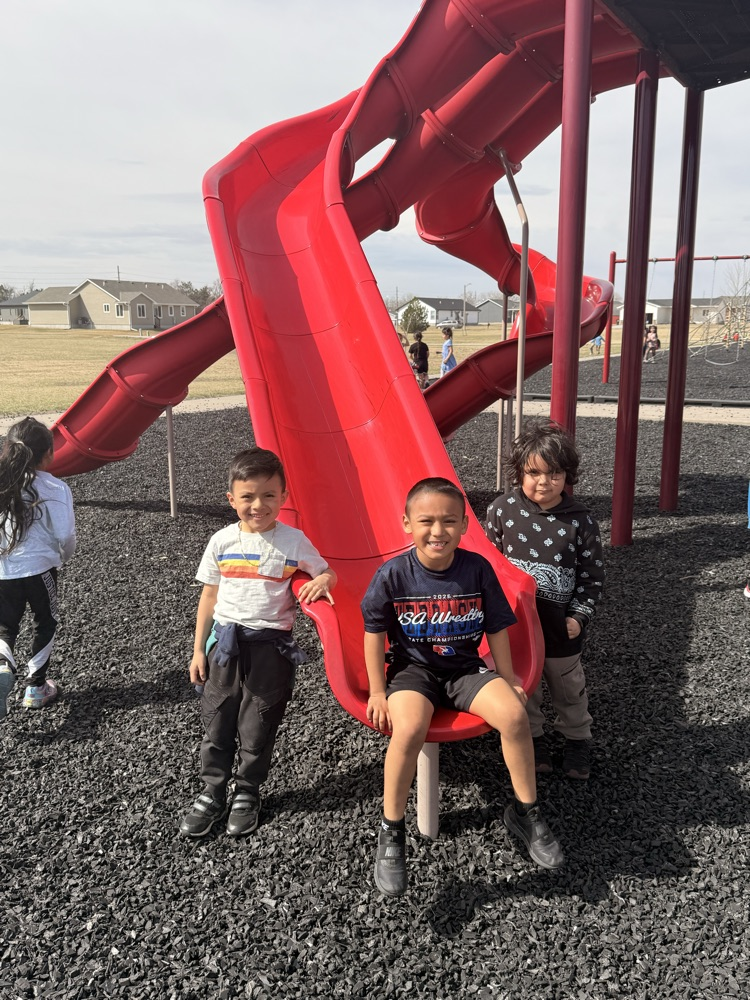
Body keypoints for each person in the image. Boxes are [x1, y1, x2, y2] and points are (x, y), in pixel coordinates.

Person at [361, 477, 564, 897]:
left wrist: (507, 678)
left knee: (513, 714)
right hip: (412, 672)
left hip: (465, 669)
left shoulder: (476, 568)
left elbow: (498, 628)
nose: (438, 531)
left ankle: (526, 812)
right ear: (406, 524)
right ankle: (391, 830)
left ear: (465, 525)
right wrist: (378, 691)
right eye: (427, 521)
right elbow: (373, 631)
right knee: (410, 728)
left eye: (449, 521)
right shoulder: (394, 574)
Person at [180, 447, 336, 838]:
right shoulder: (221, 541)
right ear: (232, 499)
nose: (258, 505)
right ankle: (213, 791)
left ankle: (248, 791)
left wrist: (323, 580)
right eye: (247, 496)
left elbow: (327, 572)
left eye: (269, 495)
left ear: (284, 497)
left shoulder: (294, 541)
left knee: (258, 723)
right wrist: (199, 649)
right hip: (225, 645)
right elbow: (209, 598)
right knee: (217, 721)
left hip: (271, 647)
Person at [485, 422, 604, 782]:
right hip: (517, 625)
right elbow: (488, 564)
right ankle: (533, 737)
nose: (544, 481)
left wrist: (579, 616)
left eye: (554, 473)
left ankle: (576, 738)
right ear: (519, 471)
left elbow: (592, 575)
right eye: (534, 472)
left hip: (559, 625)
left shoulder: (580, 520)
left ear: (568, 474)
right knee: (526, 685)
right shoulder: (502, 511)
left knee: (567, 686)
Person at [0, 417, 76, 718]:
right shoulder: (55, 488)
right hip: (40, 569)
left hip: (3, 572)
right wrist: (64, 557)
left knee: (5, 627)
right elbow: (64, 535)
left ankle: (3, 664)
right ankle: (36, 687)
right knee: (45, 622)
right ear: (49, 453)